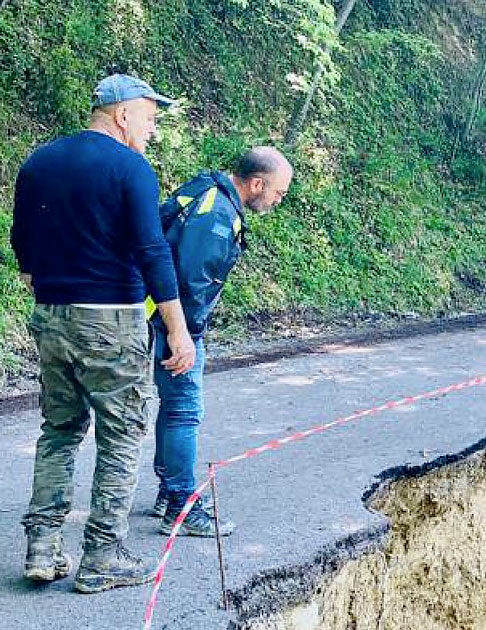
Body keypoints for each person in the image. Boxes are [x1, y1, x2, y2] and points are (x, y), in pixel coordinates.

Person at [10, 74, 197, 593]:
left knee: (60, 429)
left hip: (51, 314)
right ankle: (102, 555)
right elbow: (152, 251)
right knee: (121, 433)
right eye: (150, 118)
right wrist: (178, 332)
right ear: (122, 114)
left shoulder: (39, 161)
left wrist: (48, 286)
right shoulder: (130, 168)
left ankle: (43, 547)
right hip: (111, 320)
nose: (153, 130)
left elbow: (21, 242)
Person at [148, 147, 293, 536]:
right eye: (278, 192)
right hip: (173, 322)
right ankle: (180, 507)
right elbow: (192, 280)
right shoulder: (216, 213)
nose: (279, 200)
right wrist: (186, 336)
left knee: (174, 407)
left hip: (161, 316)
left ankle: (169, 491)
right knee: (184, 410)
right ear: (257, 183)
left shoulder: (210, 190)